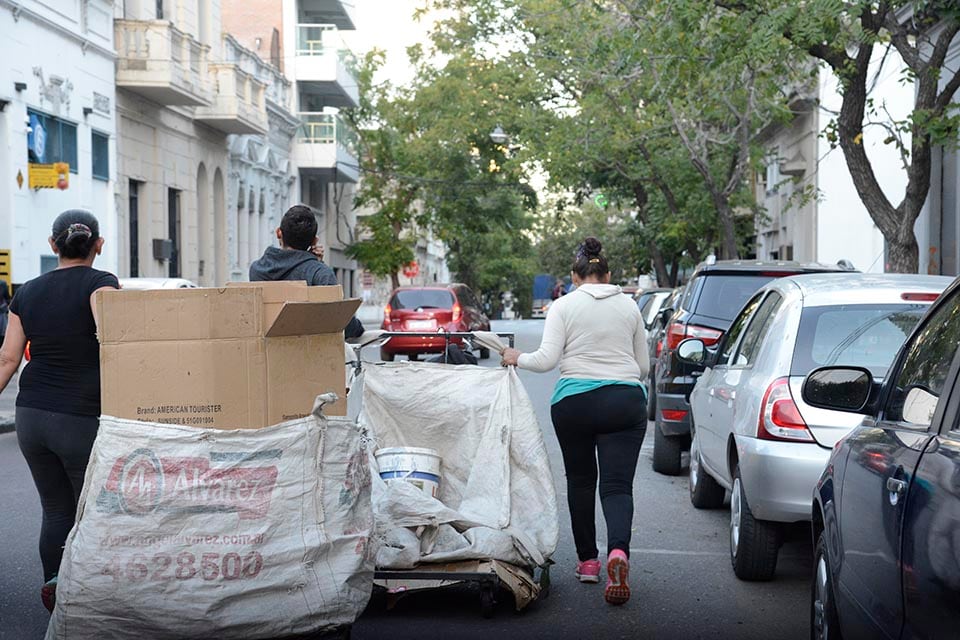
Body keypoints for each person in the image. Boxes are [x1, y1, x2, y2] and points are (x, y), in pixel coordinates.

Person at [501, 237, 648, 606]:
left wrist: (517, 357)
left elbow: (546, 360)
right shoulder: (629, 306)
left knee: (581, 482)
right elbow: (643, 367)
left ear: (574, 276)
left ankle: (588, 562)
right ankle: (619, 552)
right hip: (624, 402)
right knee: (617, 487)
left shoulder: (563, 305)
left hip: (574, 404)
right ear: (609, 275)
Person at [0, 210, 119, 612]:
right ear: (98, 245)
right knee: (93, 509)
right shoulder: (101, 283)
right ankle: (90, 594)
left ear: (53, 245)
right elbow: (114, 337)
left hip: (31, 416)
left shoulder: (27, 292)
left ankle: (56, 583)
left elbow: (7, 359)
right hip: (80, 415)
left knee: (55, 508)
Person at [250, 204, 363, 339]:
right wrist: (316, 264)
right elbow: (343, 323)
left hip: (266, 349)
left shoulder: (256, 270)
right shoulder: (320, 274)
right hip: (308, 350)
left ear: (279, 232)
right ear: (314, 240)